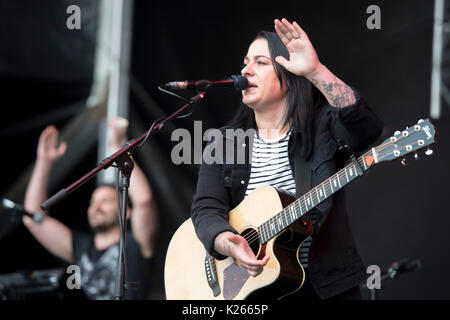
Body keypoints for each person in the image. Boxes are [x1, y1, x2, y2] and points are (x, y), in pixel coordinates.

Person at [191, 18, 384, 300]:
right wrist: (225, 241)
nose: (245, 70)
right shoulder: (223, 141)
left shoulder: (323, 129)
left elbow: (367, 128)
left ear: (289, 73)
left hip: (323, 287)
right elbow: (206, 208)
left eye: (260, 62)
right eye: (245, 62)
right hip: (256, 292)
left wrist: (315, 71)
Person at [22, 117, 158, 300]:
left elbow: (144, 201)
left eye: (106, 200)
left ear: (126, 211)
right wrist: (44, 162)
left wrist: (117, 147)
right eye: (93, 201)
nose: (97, 205)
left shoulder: (136, 244)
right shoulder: (80, 247)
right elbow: (33, 219)